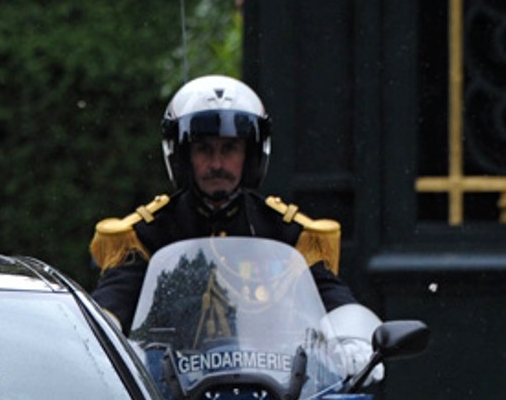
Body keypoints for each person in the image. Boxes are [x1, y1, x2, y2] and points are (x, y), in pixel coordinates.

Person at [87, 74, 359, 327]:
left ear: (251, 155)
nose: (217, 163)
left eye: (230, 149)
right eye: (203, 149)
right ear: (182, 156)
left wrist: (353, 335)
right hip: (170, 377)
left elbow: (330, 294)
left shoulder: (285, 231)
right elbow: (115, 297)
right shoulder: (149, 233)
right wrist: (103, 325)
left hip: (272, 376)